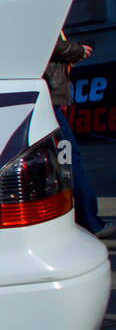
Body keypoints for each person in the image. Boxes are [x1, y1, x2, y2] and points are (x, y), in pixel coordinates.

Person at [46, 32, 115, 238]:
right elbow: (49, 43)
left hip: (51, 96)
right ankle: (89, 222)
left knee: (60, 160)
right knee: (67, 158)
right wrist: (77, 50)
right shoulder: (43, 10)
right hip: (50, 97)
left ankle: (77, 220)